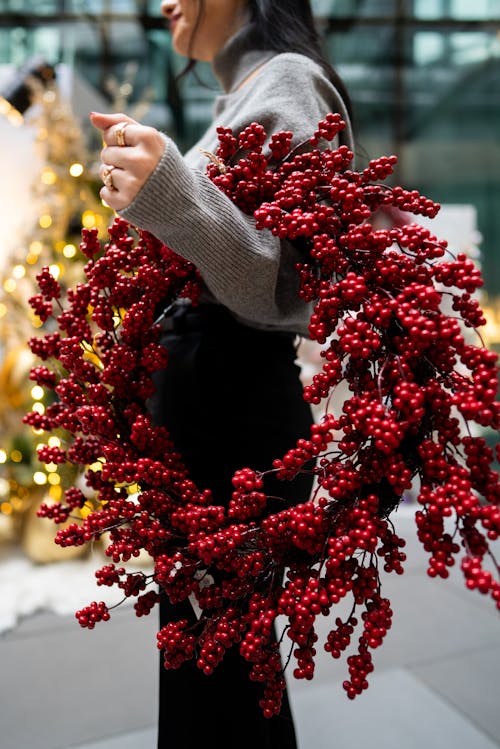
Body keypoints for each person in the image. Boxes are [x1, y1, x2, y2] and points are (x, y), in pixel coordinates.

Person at [90, 1, 354, 747]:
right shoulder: (240, 97)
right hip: (210, 406)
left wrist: (170, 190)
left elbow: (288, 282)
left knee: (223, 676)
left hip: (232, 406)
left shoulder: (290, 81)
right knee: (210, 669)